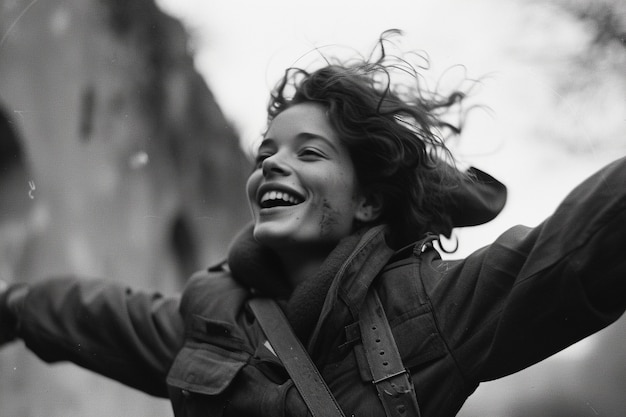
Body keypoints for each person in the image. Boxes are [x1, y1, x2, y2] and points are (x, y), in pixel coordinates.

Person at [0, 30, 624, 417]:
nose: (272, 165)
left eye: (309, 152)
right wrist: (14, 308)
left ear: (369, 203)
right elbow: (90, 314)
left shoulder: (431, 309)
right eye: (265, 153)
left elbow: (575, 249)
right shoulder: (211, 315)